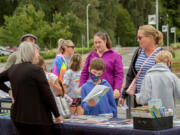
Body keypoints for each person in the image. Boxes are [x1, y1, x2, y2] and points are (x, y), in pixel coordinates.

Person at [0, 42, 63, 135]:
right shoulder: (36, 70)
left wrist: (9, 91)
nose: (38, 56)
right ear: (31, 53)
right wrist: (57, 115)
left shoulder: (13, 69)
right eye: (37, 52)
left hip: (17, 117)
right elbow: (47, 94)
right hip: (37, 120)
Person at [120, 25, 163, 107]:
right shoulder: (138, 51)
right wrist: (124, 95)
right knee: (139, 119)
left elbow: (166, 77)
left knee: (153, 120)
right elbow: (131, 75)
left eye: (140, 38)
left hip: (155, 99)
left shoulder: (161, 53)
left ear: (150, 37)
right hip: (139, 98)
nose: (138, 40)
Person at [79, 32, 124, 104]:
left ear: (105, 41)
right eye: (95, 42)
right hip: (90, 91)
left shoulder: (115, 56)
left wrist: (117, 89)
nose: (97, 45)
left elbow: (119, 75)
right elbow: (84, 72)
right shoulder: (91, 54)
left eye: (99, 42)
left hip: (108, 92)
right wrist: (81, 86)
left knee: (108, 114)